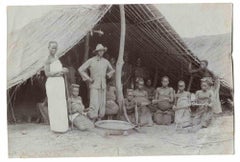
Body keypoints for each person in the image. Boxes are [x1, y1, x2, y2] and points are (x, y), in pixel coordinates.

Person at [78, 44, 115, 121]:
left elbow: (112, 70)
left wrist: (108, 75)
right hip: (94, 85)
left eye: (102, 51)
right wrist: (89, 79)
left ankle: (99, 119)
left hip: (103, 86)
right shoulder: (91, 60)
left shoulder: (106, 61)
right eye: (99, 51)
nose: (101, 52)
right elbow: (80, 69)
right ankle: (92, 119)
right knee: (94, 103)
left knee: (102, 103)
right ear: (96, 52)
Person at [44, 41, 69, 132]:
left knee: (61, 103)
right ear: (48, 48)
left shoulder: (56, 58)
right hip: (53, 83)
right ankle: (56, 127)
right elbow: (47, 73)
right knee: (54, 104)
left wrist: (64, 70)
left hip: (59, 82)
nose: (54, 50)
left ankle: (62, 127)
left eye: (55, 48)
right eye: (52, 48)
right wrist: (59, 71)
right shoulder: (47, 60)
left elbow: (59, 70)